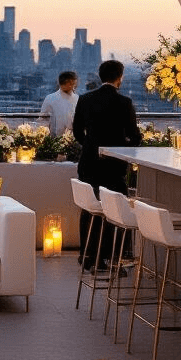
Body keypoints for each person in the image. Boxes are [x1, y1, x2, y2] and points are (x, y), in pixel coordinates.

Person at [72, 60, 142, 269]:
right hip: (114, 166)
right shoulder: (124, 103)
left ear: (100, 76)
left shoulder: (84, 99)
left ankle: (87, 255)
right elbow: (134, 136)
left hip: (89, 162)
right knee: (115, 210)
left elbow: (77, 131)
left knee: (89, 209)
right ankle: (110, 257)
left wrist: (92, 146)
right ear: (120, 77)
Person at [39, 70, 79, 136]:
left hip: (73, 138)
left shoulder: (77, 99)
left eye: (73, 83)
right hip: (54, 139)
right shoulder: (50, 99)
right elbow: (42, 121)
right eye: (71, 83)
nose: (73, 85)